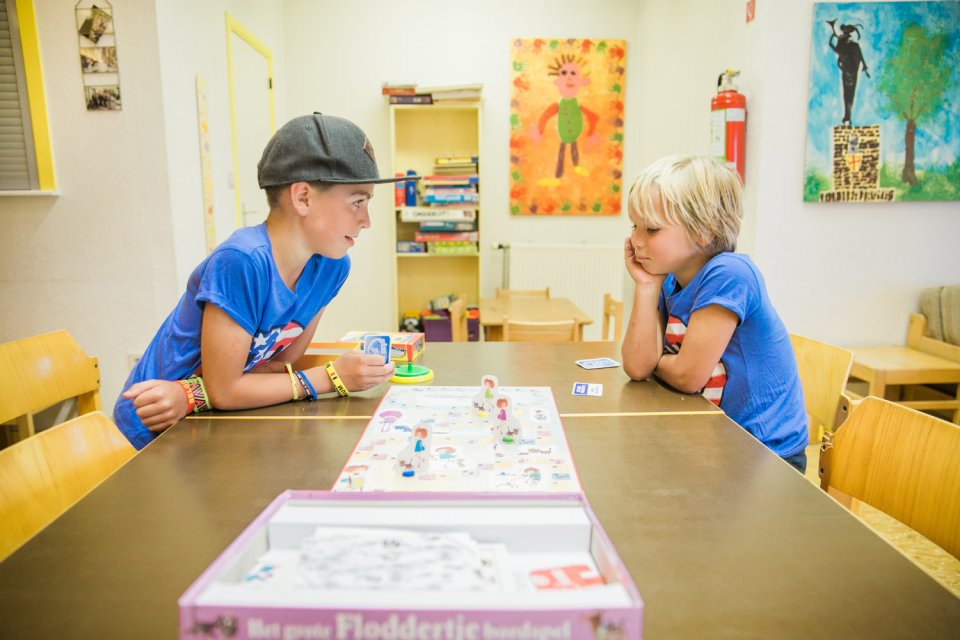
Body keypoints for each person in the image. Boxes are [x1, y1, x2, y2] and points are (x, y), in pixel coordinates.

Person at [114, 113, 414, 449]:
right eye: (358, 201)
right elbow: (226, 389)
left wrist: (203, 392)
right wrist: (331, 377)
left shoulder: (333, 267)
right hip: (153, 431)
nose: (367, 221)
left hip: (212, 421)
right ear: (303, 197)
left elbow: (277, 364)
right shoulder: (241, 261)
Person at [620, 154, 808, 472]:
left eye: (651, 229)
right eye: (634, 226)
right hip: (712, 441)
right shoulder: (669, 280)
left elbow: (688, 377)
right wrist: (647, 288)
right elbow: (639, 367)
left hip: (766, 456)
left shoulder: (730, 273)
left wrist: (660, 363)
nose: (635, 240)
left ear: (703, 232)